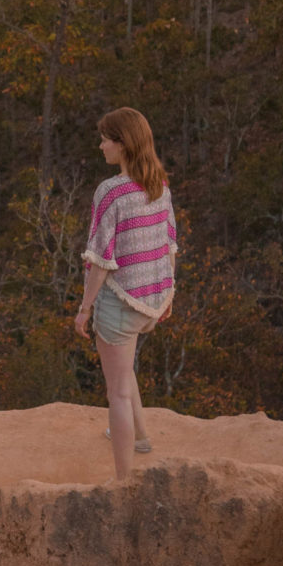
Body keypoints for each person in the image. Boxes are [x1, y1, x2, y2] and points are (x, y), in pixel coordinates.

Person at [73, 106, 177, 483]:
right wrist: (168, 297)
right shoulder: (159, 185)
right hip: (152, 301)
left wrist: (84, 310)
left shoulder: (111, 192)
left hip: (120, 303)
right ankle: (143, 439)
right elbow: (169, 245)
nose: (100, 146)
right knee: (125, 367)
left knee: (115, 393)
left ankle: (123, 480)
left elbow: (100, 260)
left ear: (122, 144)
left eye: (105, 139)